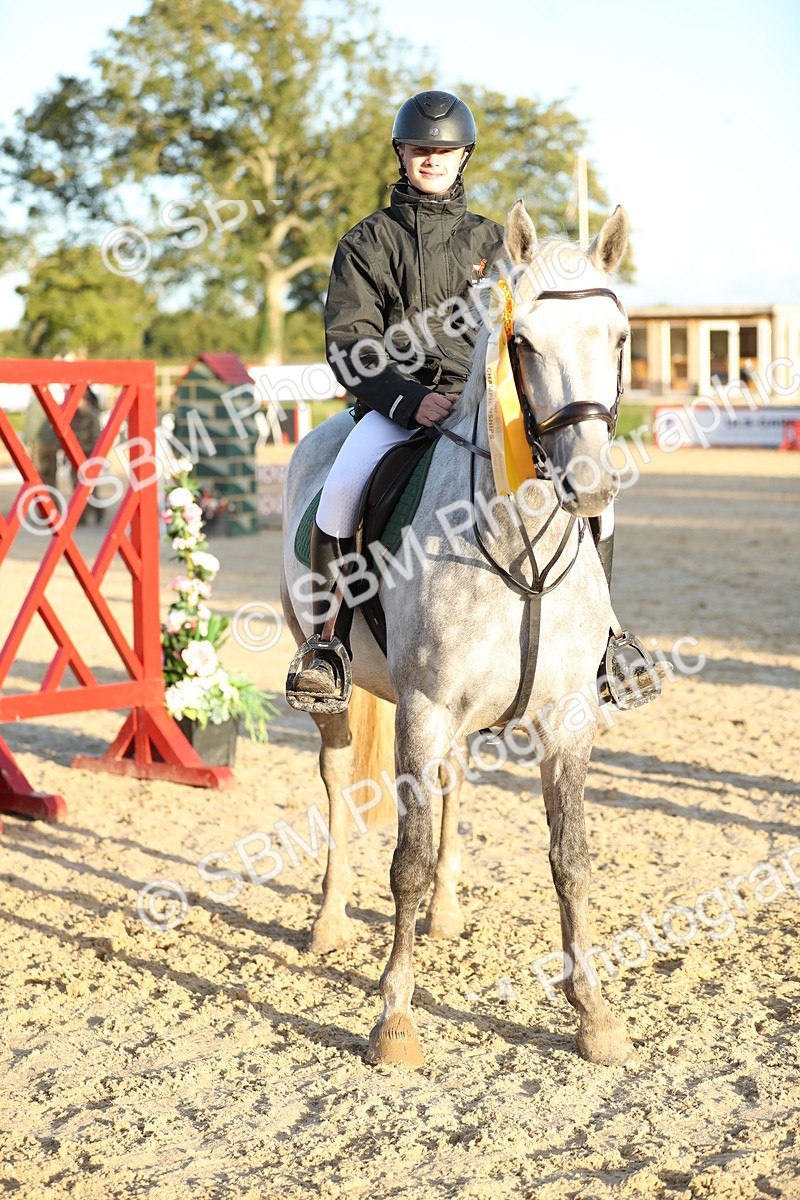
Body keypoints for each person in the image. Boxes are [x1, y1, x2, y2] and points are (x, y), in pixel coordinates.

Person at [291, 90, 505, 700]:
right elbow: (349, 344)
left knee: (590, 489)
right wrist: (410, 401)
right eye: (420, 149)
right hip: (397, 407)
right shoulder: (366, 242)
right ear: (401, 154)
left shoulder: (493, 244)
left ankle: (605, 641)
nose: (432, 159)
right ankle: (327, 645)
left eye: (444, 150)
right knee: (340, 491)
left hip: (483, 407)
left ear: (463, 155)